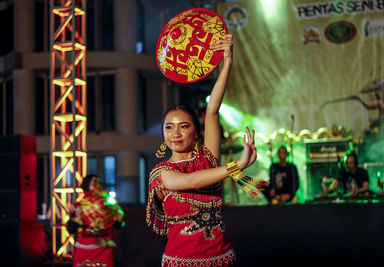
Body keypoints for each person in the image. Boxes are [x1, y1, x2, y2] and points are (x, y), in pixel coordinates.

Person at [146, 34, 263, 266]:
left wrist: (226, 61)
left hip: (221, 259)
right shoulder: (161, 173)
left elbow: (212, 110)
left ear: (196, 132)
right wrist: (236, 166)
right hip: (181, 262)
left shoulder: (208, 158)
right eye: (169, 127)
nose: (175, 134)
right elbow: (191, 181)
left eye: (183, 126)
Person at [68, 174, 125, 267]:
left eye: (99, 183)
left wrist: (119, 220)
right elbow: (70, 230)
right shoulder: (78, 206)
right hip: (84, 249)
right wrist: (77, 218)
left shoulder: (109, 204)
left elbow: (118, 226)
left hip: (103, 247)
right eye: (94, 182)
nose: (97, 185)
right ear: (86, 185)